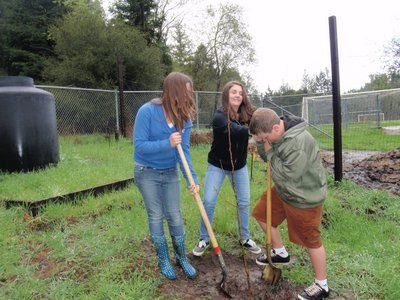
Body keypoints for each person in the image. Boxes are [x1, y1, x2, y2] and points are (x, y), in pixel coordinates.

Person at [249, 108, 329, 300]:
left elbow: (287, 175)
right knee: (262, 214)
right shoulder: (275, 132)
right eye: (260, 139)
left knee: (311, 240)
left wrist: (269, 155)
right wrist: (261, 144)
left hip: (304, 196)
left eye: (264, 137)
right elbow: (267, 153)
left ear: (276, 128)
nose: (263, 141)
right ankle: (280, 253)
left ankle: (322, 285)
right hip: (285, 191)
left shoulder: (298, 142)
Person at [133, 72, 200, 280]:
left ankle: (181, 257)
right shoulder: (147, 111)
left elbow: (184, 153)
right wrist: (167, 143)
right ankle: (163, 259)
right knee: (156, 215)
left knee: (174, 214)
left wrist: (193, 180)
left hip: (170, 172)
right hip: (147, 172)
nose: (189, 96)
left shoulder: (184, 119)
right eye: (186, 91)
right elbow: (140, 147)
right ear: (174, 91)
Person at [192, 81, 261, 257]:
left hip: (239, 166)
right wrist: (252, 130)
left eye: (240, 93)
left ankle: (244, 238)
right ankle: (204, 239)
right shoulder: (219, 115)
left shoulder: (250, 113)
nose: (238, 95)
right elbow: (235, 130)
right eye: (234, 92)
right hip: (218, 165)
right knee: (208, 201)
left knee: (244, 201)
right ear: (226, 95)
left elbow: (263, 120)